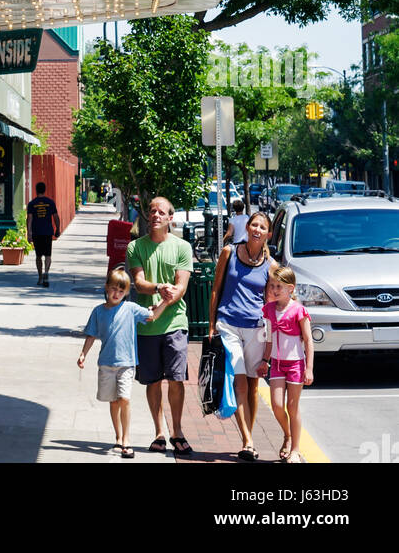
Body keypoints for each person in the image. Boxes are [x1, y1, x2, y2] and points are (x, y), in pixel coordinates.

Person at [125, 196, 194, 455]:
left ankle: (177, 431)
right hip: (146, 326)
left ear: (170, 218)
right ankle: (159, 432)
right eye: (152, 210)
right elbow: (139, 283)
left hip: (175, 322)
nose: (155, 215)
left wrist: (160, 308)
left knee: (176, 380)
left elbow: (181, 287)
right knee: (152, 381)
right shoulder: (136, 247)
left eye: (161, 212)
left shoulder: (182, 247)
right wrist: (157, 289)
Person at [77, 268, 168, 457]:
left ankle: (127, 439)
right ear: (106, 288)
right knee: (114, 402)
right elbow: (92, 334)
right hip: (106, 364)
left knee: (125, 399)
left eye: (121, 290)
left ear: (126, 292)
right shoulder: (98, 311)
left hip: (126, 364)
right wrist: (83, 353)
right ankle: (118, 437)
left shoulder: (131, 309)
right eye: (113, 289)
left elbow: (151, 316)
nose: (116, 294)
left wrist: (165, 301)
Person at [208, 210, 272, 460]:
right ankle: (246, 439)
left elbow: (270, 300)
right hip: (229, 325)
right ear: (247, 227)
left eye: (262, 227)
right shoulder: (229, 253)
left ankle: (250, 439)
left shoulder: (270, 264)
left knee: (254, 385)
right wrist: (212, 324)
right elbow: (215, 289)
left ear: (268, 233)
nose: (257, 229)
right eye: (253, 224)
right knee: (239, 382)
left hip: (256, 328)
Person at [256, 266, 314, 463]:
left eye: (279, 286)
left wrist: (309, 368)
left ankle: (295, 450)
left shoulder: (299, 310)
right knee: (277, 405)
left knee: (293, 406)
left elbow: (308, 340)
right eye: (272, 286)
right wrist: (265, 360)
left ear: (290, 288)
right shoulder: (269, 310)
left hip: (296, 364)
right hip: (277, 364)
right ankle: (287, 435)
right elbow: (269, 339)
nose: (274, 289)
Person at [26, 181, 60, 286]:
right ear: (44, 190)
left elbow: (29, 219)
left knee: (38, 256)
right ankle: (46, 273)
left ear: (36, 190)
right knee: (48, 255)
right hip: (47, 232)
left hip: (37, 232)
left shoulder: (32, 204)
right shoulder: (50, 202)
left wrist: (29, 233)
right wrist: (58, 229)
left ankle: (40, 277)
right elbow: (56, 217)